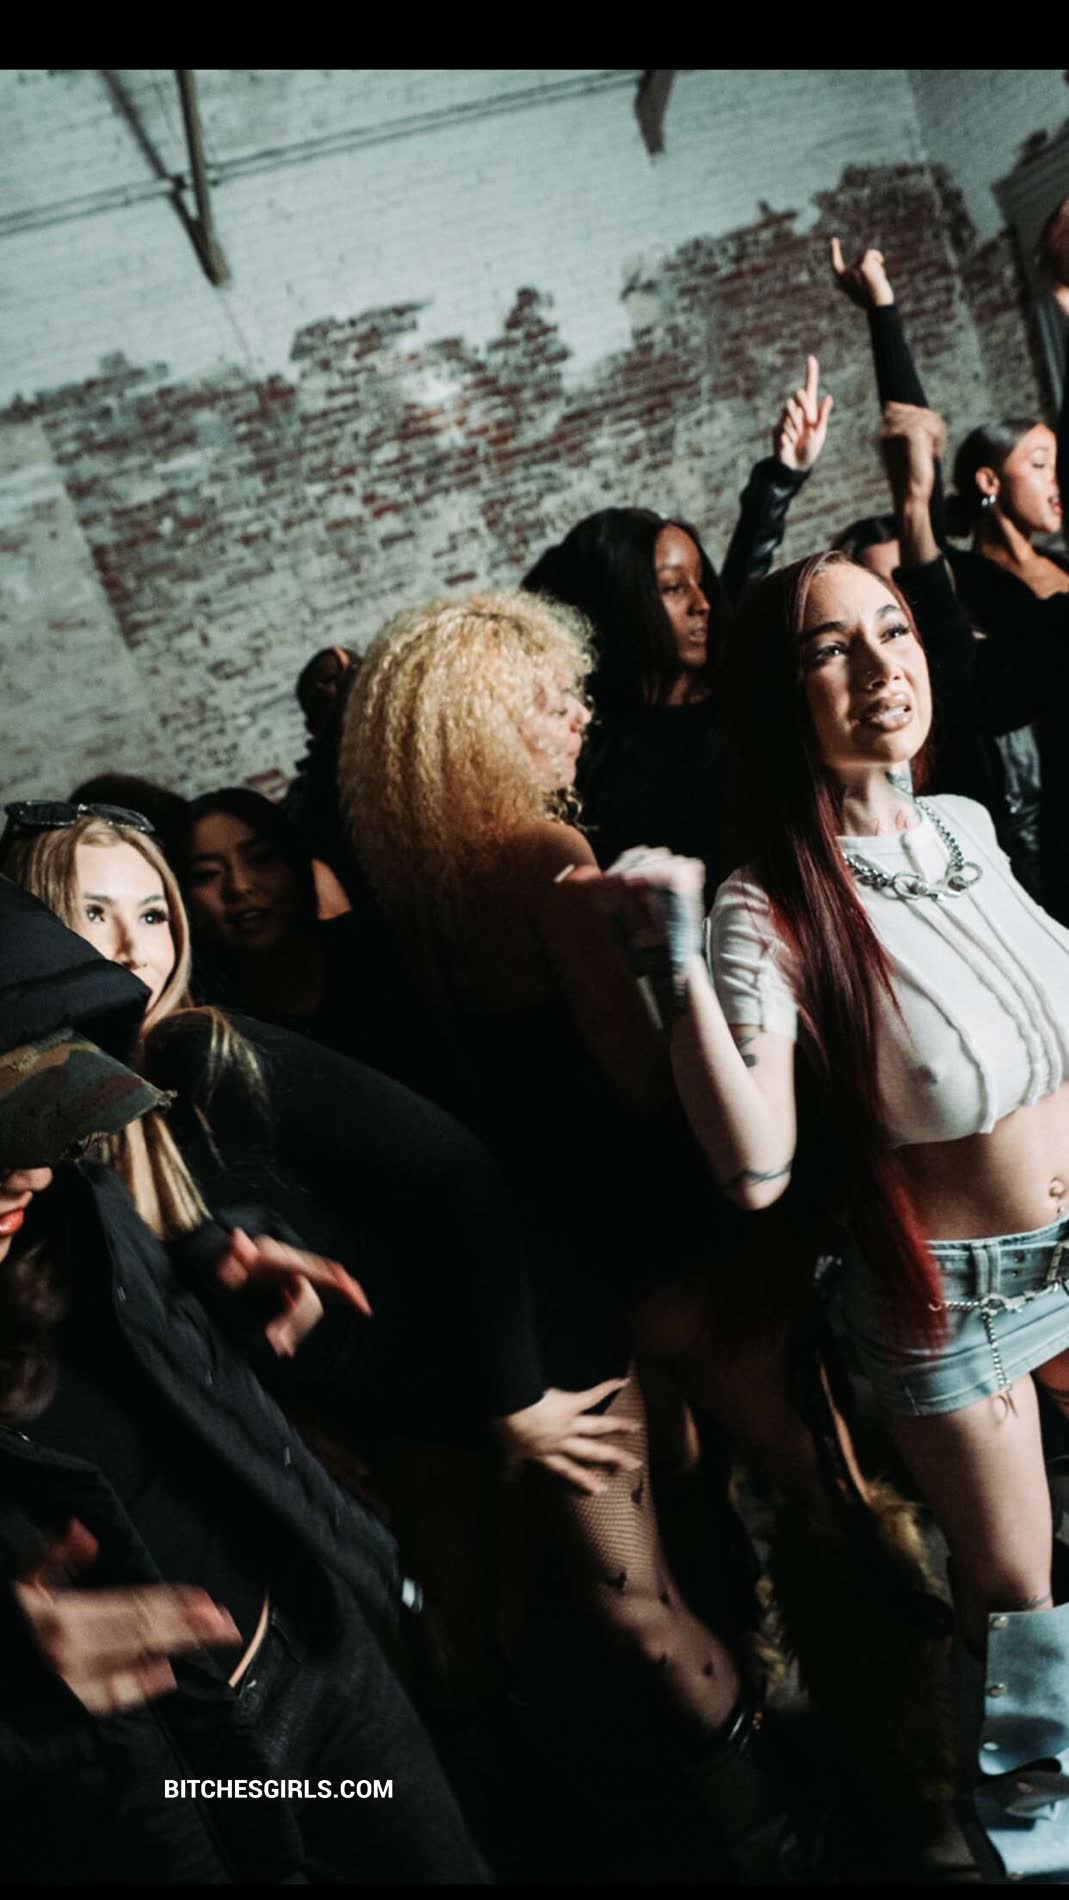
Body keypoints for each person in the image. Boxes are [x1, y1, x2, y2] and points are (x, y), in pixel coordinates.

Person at [598, 546, 1069, 1880]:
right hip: (958, 1300)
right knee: (1021, 1612)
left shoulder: (963, 827)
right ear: (778, 695)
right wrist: (672, 966)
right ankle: (1038, 1854)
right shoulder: (769, 906)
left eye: (893, 629)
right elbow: (754, 1167)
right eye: (829, 648)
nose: (880, 667)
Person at [0, 874, 489, 1884]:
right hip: (155, 1778)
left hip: (316, 1651)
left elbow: (135, 1308)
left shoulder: (64, 1198)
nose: (29, 1172)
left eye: (31, 1112)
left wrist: (217, 1273)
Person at [522, 357, 833, 888]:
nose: (702, 603)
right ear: (625, 604)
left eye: (699, 581)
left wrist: (782, 478)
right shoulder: (582, 748)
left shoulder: (737, 695)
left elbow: (745, 578)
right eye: (672, 588)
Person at [832, 230, 1069, 918]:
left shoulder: (1057, 564)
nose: (1054, 481)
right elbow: (914, 453)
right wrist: (882, 311)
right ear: (990, 481)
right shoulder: (968, 580)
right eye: (1039, 465)